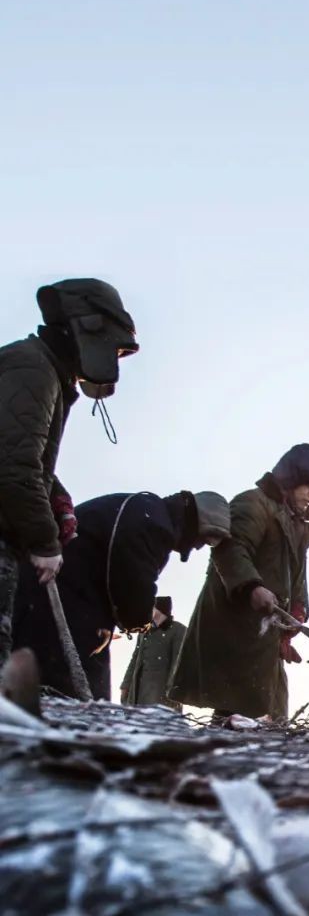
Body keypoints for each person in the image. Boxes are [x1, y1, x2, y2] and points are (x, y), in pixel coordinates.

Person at [0, 279, 137, 665]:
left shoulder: (41, 367)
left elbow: (23, 455)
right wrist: (44, 541)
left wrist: (56, 499)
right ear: (90, 328)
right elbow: (13, 466)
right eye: (115, 347)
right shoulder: (33, 368)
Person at [14, 490, 230, 700]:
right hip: (60, 603)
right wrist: (141, 618)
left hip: (55, 595)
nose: (201, 546)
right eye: (207, 538)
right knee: (68, 692)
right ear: (195, 522)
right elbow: (134, 585)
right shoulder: (154, 525)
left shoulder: (147, 510)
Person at [169, 445, 309, 723]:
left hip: (267, 633)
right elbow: (231, 548)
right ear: (292, 477)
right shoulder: (252, 503)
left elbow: (296, 577)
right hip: (239, 628)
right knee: (236, 711)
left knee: (270, 715)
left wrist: (298, 612)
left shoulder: (296, 525)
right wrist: (251, 586)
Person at [120, 597, 188, 709]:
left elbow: (178, 663)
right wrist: (126, 685)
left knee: (159, 723)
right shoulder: (144, 631)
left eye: (151, 608)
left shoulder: (179, 630)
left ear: (159, 610)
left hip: (161, 695)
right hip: (137, 693)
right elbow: (134, 659)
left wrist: (174, 692)